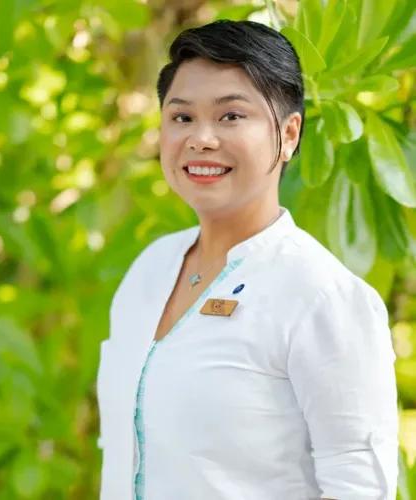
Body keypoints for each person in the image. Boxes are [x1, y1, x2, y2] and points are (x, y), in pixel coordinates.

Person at [96, 19, 398, 500]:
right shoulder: (149, 269)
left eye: (231, 116)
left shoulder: (323, 297)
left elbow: (359, 487)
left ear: (289, 133)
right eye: (182, 117)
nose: (201, 138)